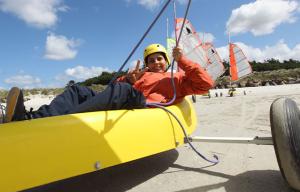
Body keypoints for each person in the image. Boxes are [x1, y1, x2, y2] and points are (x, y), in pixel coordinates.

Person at [4, 43, 214, 123]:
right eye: (151, 60)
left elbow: (206, 84)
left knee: (122, 89)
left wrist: (183, 61)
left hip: (147, 106)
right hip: (127, 97)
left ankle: (60, 123)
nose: (155, 63)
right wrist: (129, 79)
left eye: (160, 59)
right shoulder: (141, 75)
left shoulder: (178, 78)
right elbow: (112, 89)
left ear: (166, 62)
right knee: (79, 90)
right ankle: (30, 118)